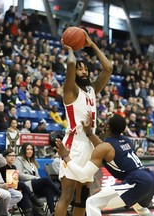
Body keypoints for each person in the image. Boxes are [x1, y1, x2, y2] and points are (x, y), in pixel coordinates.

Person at [55, 113, 154, 216]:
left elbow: (83, 176)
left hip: (138, 181)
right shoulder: (127, 140)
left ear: (107, 126)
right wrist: (89, 133)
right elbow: (104, 147)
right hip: (152, 178)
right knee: (140, 207)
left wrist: (65, 157)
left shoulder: (105, 147)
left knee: (92, 203)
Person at [56, 30, 113, 216]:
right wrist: (70, 48)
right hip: (74, 144)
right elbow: (71, 63)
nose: (83, 71)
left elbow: (108, 68)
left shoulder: (91, 90)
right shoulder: (70, 90)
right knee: (67, 194)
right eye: (81, 69)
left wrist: (92, 44)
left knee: (84, 195)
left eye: (86, 69)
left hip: (89, 142)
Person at [14, 142, 61, 214]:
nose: (30, 151)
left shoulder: (33, 162)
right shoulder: (19, 159)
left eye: (31, 149)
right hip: (26, 185)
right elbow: (19, 174)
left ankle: (52, 212)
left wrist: (37, 178)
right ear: (24, 150)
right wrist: (35, 178)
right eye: (28, 149)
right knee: (46, 180)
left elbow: (37, 175)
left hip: (34, 186)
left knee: (48, 189)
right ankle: (59, 193)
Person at [0, 148, 45, 216]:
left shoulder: (14, 167)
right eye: (10, 156)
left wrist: (18, 188)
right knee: (22, 184)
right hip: (6, 187)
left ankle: (28, 212)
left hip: (15, 187)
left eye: (14, 156)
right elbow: (7, 181)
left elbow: (15, 181)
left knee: (24, 193)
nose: (12, 157)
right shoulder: (3, 167)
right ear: (5, 157)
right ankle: (33, 198)